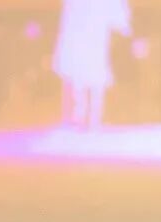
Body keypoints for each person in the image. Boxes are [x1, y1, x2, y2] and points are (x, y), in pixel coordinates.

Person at [52, 0, 132, 130]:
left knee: (94, 74)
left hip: (95, 35)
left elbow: (119, 16)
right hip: (80, 35)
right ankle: (81, 116)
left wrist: (123, 25)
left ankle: (93, 117)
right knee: (80, 73)